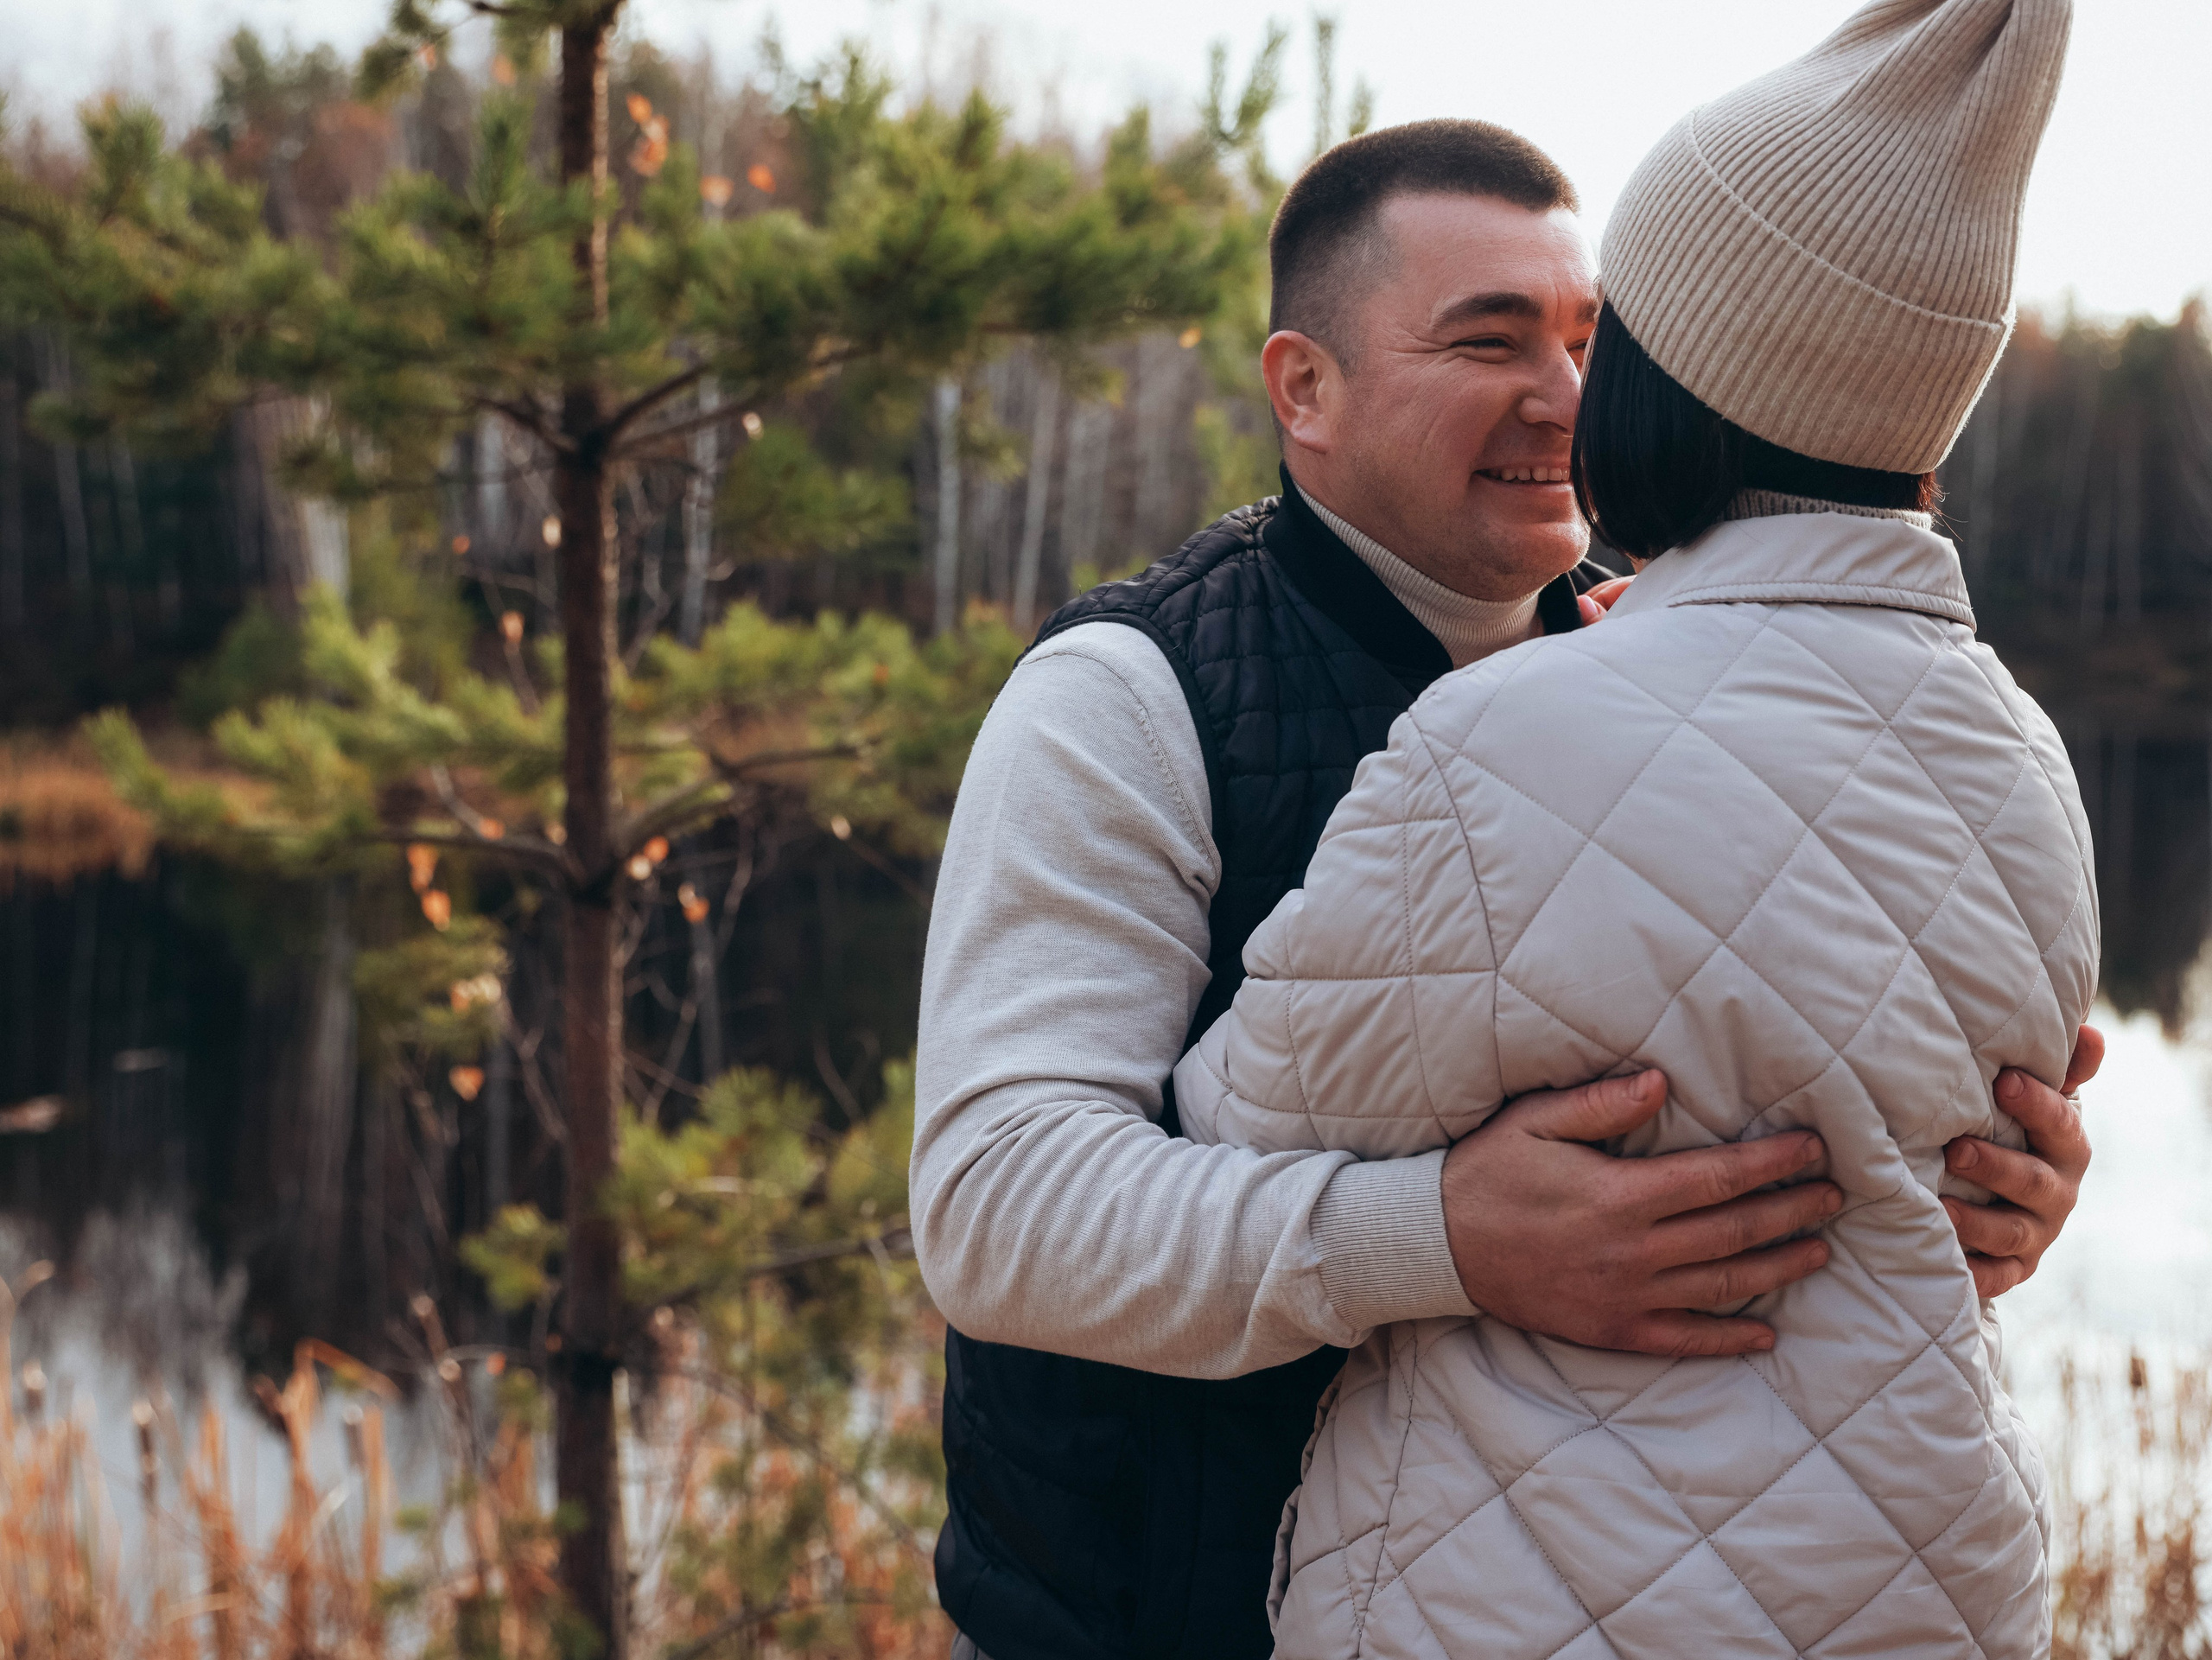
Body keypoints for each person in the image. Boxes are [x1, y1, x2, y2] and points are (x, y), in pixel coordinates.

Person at [913, 83, 2101, 1660]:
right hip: (1142, 1614)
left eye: (1590, 342)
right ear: (1306, 388)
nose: (1562, 396)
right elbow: (1000, 1210)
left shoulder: (1683, 691)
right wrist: (1447, 1238)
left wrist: (1991, 1179)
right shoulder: (1130, 697)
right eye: (1487, 342)